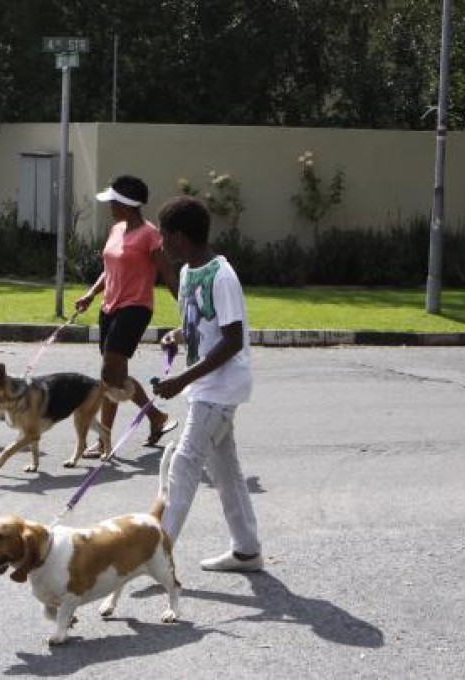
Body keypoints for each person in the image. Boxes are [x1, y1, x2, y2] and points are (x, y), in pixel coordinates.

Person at [151, 195, 263, 572]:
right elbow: (199, 324)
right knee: (225, 469)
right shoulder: (187, 273)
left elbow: (232, 340)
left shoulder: (222, 275)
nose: (161, 245)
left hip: (221, 387)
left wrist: (183, 377)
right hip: (205, 386)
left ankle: (156, 559)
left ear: (180, 238)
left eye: (164, 237)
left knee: (183, 464)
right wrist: (177, 335)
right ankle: (247, 550)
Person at [75, 175, 179, 456]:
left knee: (109, 373)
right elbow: (108, 270)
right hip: (109, 308)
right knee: (117, 376)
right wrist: (90, 294)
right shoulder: (116, 229)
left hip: (135, 308)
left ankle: (104, 441)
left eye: (113, 200)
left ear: (127, 204)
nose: (109, 204)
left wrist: (187, 304)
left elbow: (167, 272)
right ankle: (156, 417)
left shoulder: (149, 234)